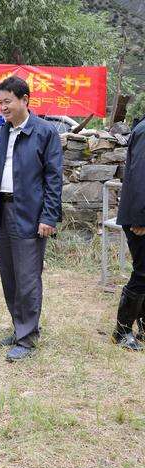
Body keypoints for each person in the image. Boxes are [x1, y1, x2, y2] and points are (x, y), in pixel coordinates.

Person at [0, 76, 63, 362]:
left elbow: (54, 179)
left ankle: (27, 338)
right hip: (4, 211)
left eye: (7, 101)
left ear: (25, 100)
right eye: (0, 102)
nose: (2, 107)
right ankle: (20, 327)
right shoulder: (4, 132)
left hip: (30, 213)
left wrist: (49, 216)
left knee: (28, 277)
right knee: (10, 275)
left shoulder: (45, 132)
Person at [112, 118, 145, 350]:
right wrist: (141, 217)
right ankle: (122, 330)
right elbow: (140, 176)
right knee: (142, 273)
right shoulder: (144, 131)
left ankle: (143, 326)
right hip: (139, 217)